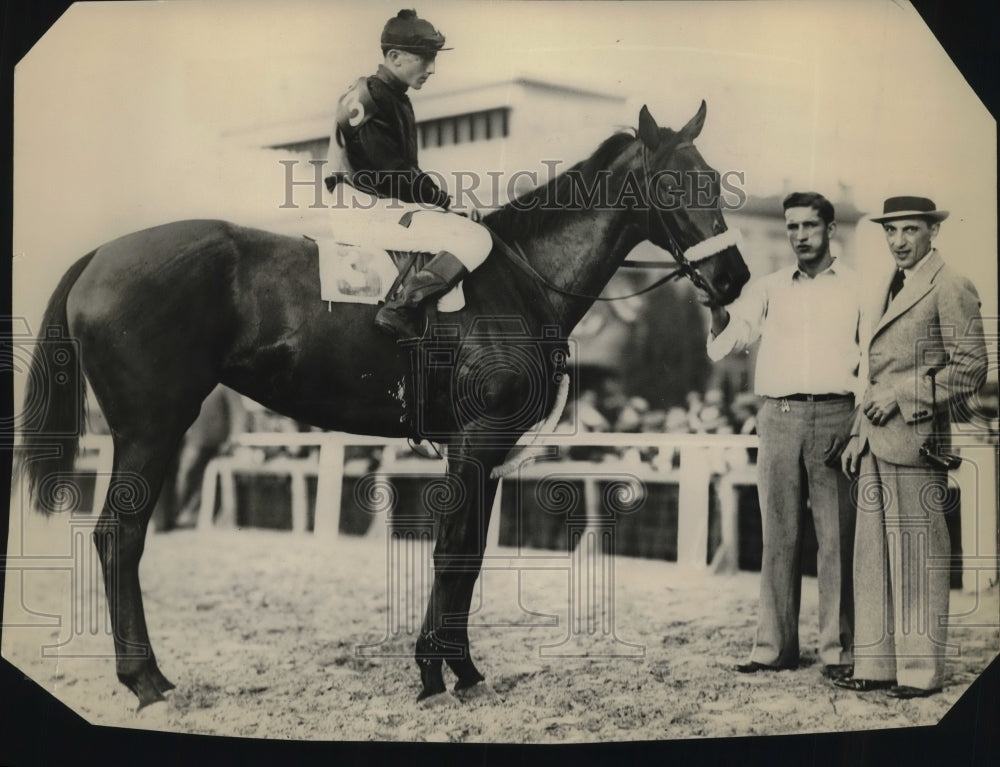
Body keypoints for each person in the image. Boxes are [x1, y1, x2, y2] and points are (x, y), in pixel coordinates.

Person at [700, 191, 861, 681]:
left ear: (830, 230)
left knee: (836, 541)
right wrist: (715, 309)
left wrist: (855, 426)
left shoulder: (859, 287)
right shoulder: (769, 287)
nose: (800, 236)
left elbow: (872, 362)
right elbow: (728, 342)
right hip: (778, 417)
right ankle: (774, 648)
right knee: (779, 538)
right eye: (792, 227)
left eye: (810, 226)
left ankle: (840, 652)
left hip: (837, 417)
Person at [836, 196, 987, 698]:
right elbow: (874, 370)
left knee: (917, 556)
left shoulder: (951, 284)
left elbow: (971, 369)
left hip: (919, 441)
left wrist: (902, 398)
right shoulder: (886, 285)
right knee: (873, 557)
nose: (898, 241)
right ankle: (876, 666)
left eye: (909, 230)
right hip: (877, 441)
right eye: (891, 231)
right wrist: (858, 434)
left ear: (932, 233)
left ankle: (921, 672)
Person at [324, 9, 493, 339]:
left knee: (466, 227)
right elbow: (394, 174)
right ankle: (402, 309)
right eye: (425, 58)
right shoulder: (369, 96)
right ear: (394, 56)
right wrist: (446, 203)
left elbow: (401, 176)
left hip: (379, 205)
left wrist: (444, 205)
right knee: (476, 238)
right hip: (363, 210)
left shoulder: (393, 96)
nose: (432, 68)